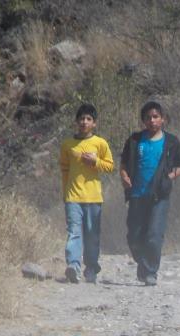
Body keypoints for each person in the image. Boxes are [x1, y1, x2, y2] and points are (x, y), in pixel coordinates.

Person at [119, 101, 180, 286]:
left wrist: (170, 177)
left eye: (156, 116)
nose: (152, 120)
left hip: (160, 196)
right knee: (134, 236)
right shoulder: (134, 140)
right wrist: (124, 177)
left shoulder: (171, 142)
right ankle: (143, 263)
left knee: (154, 235)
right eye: (148, 117)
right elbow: (124, 163)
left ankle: (150, 272)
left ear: (163, 119)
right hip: (137, 195)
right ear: (143, 120)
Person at [60, 102, 115, 284]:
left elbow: (110, 166)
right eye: (81, 118)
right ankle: (73, 266)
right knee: (74, 232)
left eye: (88, 119)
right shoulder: (68, 145)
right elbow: (65, 170)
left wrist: (95, 162)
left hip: (93, 197)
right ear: (76, 121)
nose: (84, 122)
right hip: (73, 197)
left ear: (94, 123)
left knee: (91, 235)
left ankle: (91, 267)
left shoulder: (100, 143)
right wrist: (64, 192)